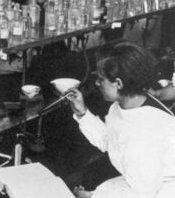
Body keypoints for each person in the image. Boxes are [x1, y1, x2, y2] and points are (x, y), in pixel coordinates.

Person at [67, 43, 175, 198]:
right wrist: (83, 113)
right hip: (139, 184)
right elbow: (111, 143)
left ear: (118, 83)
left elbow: (144, 192)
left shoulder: (145, 130)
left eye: (101, 79)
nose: (97, 83)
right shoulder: (125, 105)